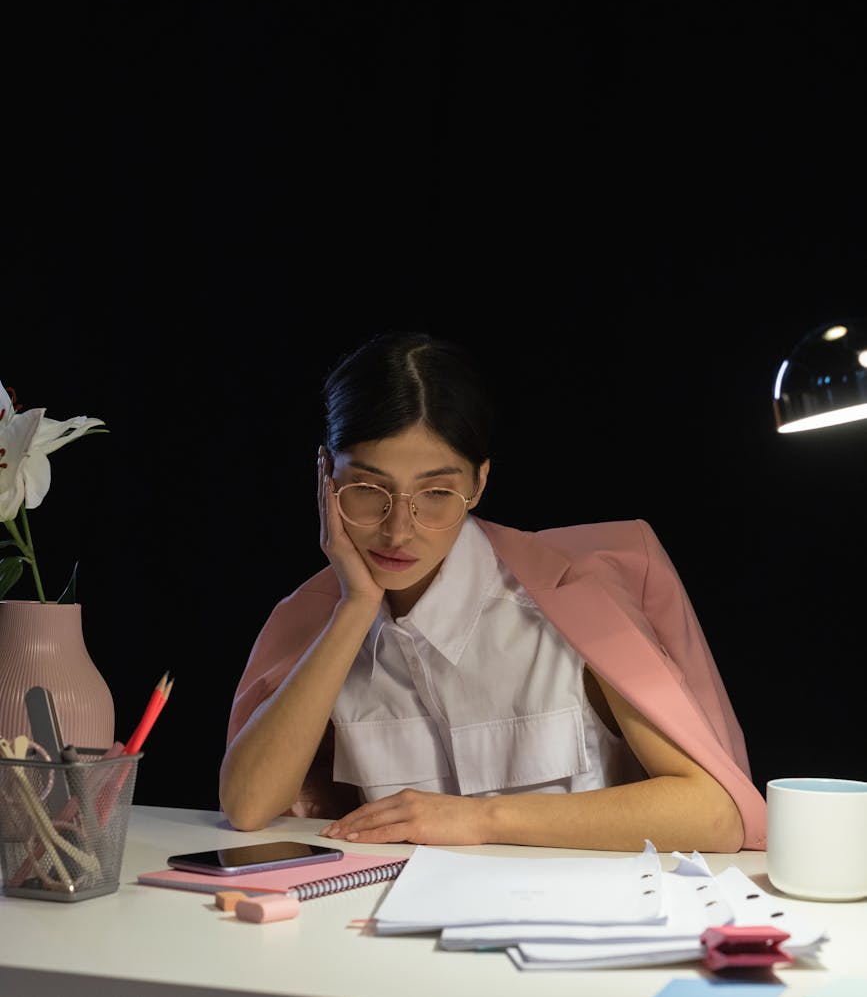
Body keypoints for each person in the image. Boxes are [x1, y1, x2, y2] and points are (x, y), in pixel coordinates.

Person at [220, 331, 766, 852]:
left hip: (579, 929)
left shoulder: (572, 600)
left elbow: (714, 811)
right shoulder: (312, 623)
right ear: (326, 477)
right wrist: (355, 608)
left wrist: (481, 819)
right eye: (367, 489)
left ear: (479, 483)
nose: (398, 530)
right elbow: (246, 807)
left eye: (435, 492)